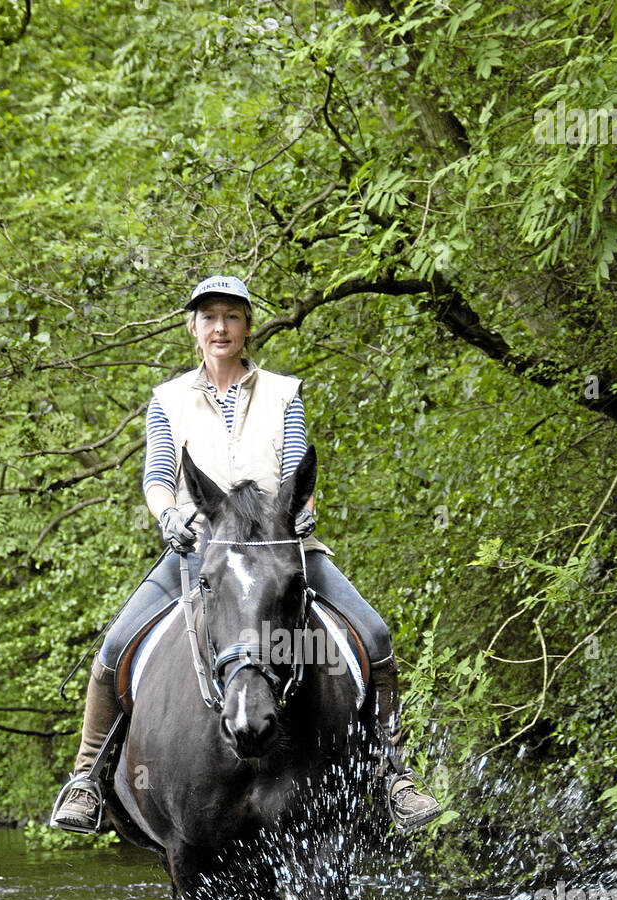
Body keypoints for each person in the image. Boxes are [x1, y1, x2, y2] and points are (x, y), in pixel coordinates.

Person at [50, 274, 440, 834]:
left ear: (247, 326)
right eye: (209, 317)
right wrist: (170, 516)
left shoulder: (284, 391)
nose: (220, 328)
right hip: (202, 551)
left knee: (373, 635)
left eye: (231, 317)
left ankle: (394, 773)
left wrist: (301, 509)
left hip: (281, 548)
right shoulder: (168, 400)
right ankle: (88, 778)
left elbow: (298, 472)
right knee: (114, 647)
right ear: (193, 328)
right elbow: (160, 476)